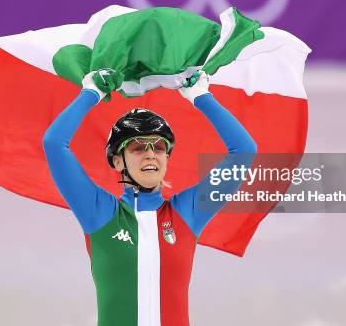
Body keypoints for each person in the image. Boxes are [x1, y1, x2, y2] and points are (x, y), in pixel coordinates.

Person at [42, 70, 257, 326]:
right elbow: (54, 143)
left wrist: (201, 96)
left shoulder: (186, 213)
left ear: (167, 158)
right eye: (137, 147)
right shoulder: (99, 212)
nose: (150, 155)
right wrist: (90, 93)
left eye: (158, 147)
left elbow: (244, 151)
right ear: (118, 160)